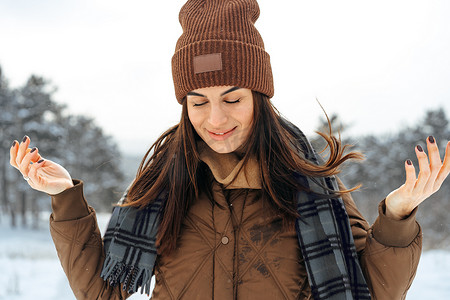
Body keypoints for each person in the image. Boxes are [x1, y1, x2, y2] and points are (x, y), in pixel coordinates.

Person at [9, 0, 450, 299]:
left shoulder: (311, 182)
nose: (216, 120)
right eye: (198, 102)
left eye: (233, 98)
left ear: (260, 95)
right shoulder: (161, 182)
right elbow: (105, 292)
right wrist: (65, 198)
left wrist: (396, 217)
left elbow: (366, 290)